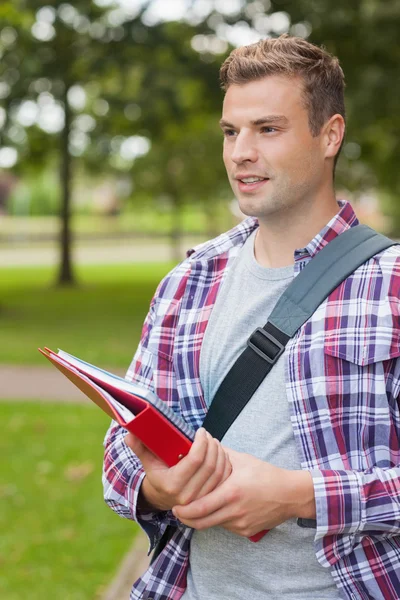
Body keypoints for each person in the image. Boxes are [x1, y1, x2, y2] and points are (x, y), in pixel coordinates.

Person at [103, 35, 400, 600]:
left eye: (268, 129)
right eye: (230, 132)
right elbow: (121, 452)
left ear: (329, 135)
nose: (241, 151)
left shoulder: (392, 285)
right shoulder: (188, 283)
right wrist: (157, 487)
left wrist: (300, 495)